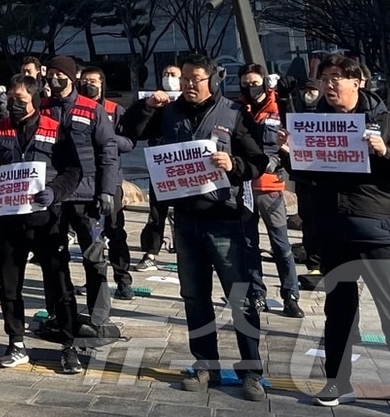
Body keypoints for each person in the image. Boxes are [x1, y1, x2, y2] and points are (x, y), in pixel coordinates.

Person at [120, 56, 271, 401]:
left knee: (241, 299)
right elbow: (131, 132)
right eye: (184, 79)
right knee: (195, 297)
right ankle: (206, 364)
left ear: (213, 80)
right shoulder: (169, 112)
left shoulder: (233, 113)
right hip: (186, 220)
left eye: (196, 79)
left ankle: (251, 371)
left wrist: (234, 164)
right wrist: (145, 106)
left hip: (226, 219)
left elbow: (258, 161)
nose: (189, 85)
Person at [287, 55, 390, 416]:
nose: (330, 85)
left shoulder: (384, 121)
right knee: (338, 312)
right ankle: (337, 380)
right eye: (325, 79)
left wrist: (384, 150)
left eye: (337, 78)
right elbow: (307, 177)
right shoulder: (314, 122)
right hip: (332, 232)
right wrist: (291, 154)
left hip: (374, 231)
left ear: (358, 83)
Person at [0, 73, 84, 374]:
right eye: (10, 99)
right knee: (9, 285)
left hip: (47, 221)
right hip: (10, 221)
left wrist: (55, 192)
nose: (13, 105)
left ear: (36, 100)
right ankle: (16, 342)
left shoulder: (56, 129)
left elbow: (73, 170)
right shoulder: (1, 129)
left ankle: (69, 345)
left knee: (59, 283)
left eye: (20, 100)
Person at [43, 56, 119, 333]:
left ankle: (99, 317)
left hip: (86, 196)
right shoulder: (41, 108)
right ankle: (56, 314)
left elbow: (108, 152)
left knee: (94, 257)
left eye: (59, 74)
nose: (54, 79)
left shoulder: (91, 109)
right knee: (52, 257)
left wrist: (107, 190)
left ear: (72, 77)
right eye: (50, 74)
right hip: (52, 195)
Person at [236, 63, 303, 319]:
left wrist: (288, 99)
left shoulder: (279, 107)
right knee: (248, 244)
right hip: (244, 187)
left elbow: (295, 133)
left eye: (254, 82)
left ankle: (291, 296)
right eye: (245, 83)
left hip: (272, 187)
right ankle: (256, 294)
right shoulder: (239, 110)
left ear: (265, 82)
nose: (250, 88)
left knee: (281, 245)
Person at [79, 66, 134, 300]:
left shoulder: (114, 110)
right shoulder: (76, 108)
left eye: (93, 81)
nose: (88, 85)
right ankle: (93, 280)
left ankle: (123, 280)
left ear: (102, 84)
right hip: (83, 180)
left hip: (111, 180)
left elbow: (129, 142)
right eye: (84, 81)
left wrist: (105, 137)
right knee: (90, 234)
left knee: (115, 231)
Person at [134, 64, 183, 271]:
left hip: (182, 165)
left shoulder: (185, 102)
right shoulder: (154, 100)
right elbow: (141, 130)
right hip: (160, 166)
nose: (168, 78)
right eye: (165, 74)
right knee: (156, 212)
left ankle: (185, 251)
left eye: (173, 75)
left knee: (183, 212)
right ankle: (151, 252)